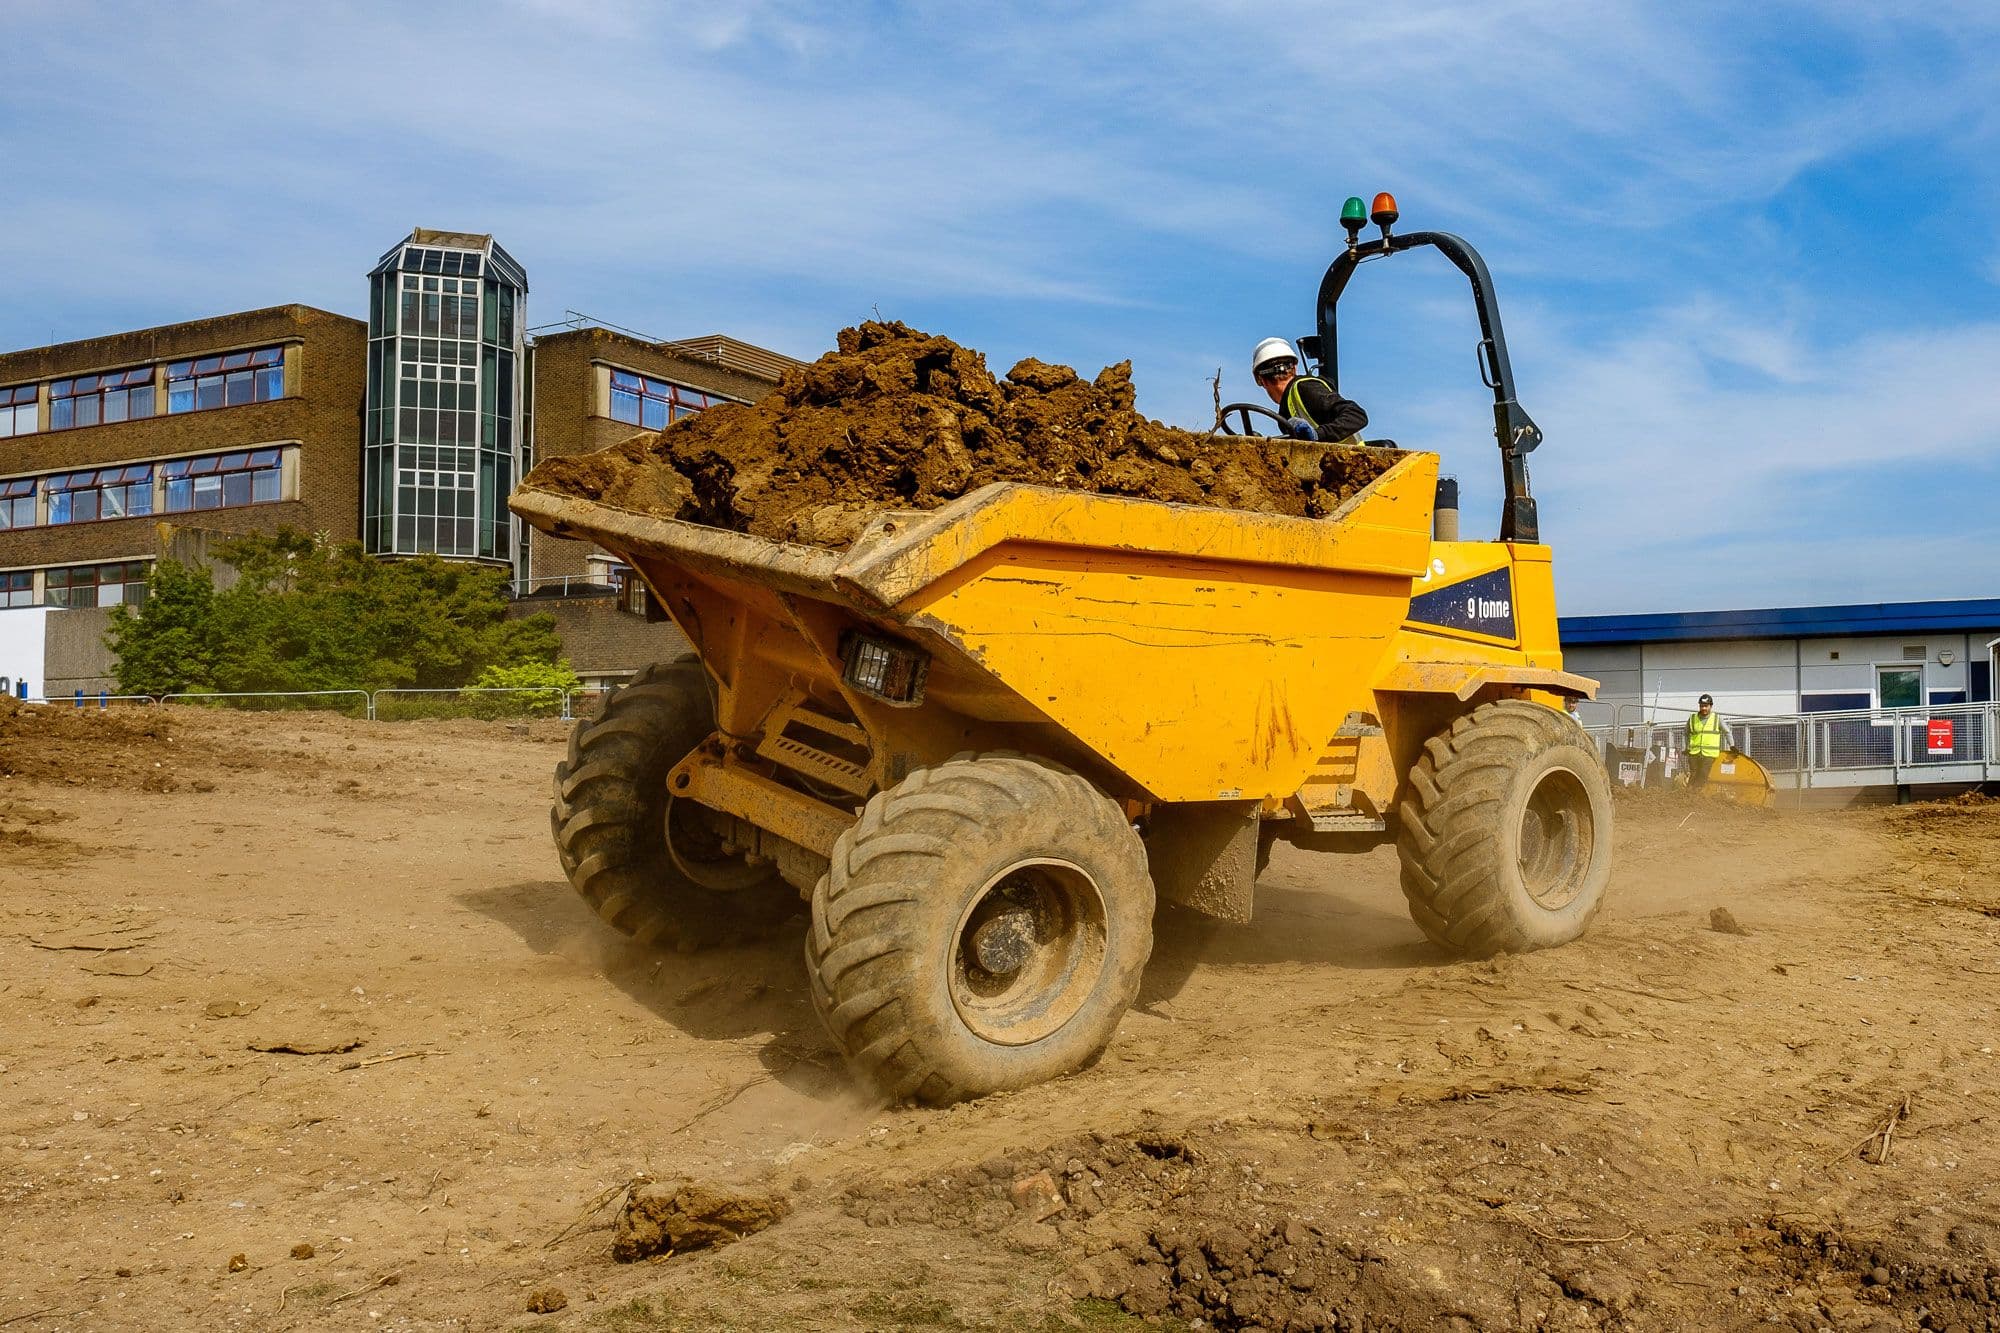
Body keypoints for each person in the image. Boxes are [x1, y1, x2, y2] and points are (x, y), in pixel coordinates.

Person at [1252, 338, 1368, 443]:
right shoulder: (1285, 414)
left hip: (1354, 462)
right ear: (1294, 367)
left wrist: (1317, 434)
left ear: (1262, 380)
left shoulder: (1306, 388)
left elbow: (1357, 415)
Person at [1684, 693, 1731, 788]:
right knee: (1693, 773)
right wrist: (1687, 747)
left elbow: (1727, 732)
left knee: (1703, 774)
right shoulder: (1692, 718)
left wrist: (1732, 745)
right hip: (1694, 752)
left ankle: (1694, 794)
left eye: (1706, 706)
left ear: (1711, 706)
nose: (1704, 708)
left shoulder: (1717, 718)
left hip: (1709, 754)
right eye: (1701, 706)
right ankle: (1688, 794)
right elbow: (1686, 733)